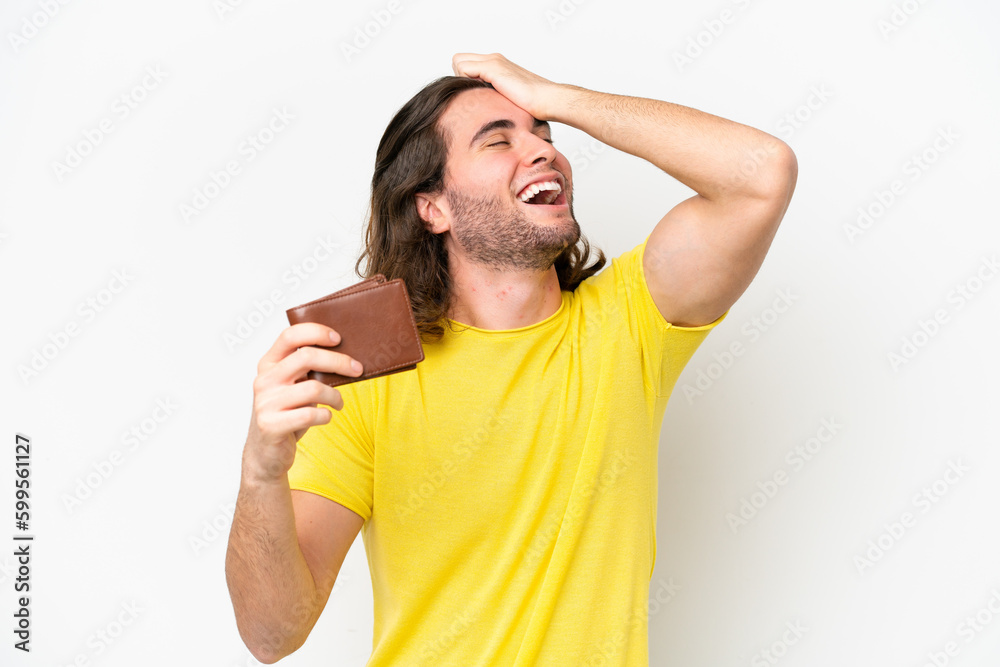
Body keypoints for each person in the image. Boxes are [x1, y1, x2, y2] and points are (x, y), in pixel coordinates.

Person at [225, 52, 797, 665]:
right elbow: (271, 634)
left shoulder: (630, 322)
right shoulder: (366, 382)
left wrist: (558, 97)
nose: (542, 149)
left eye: (545, 135)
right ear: (433, 207)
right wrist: (261, 472)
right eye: (498, 141)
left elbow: (762, 174)